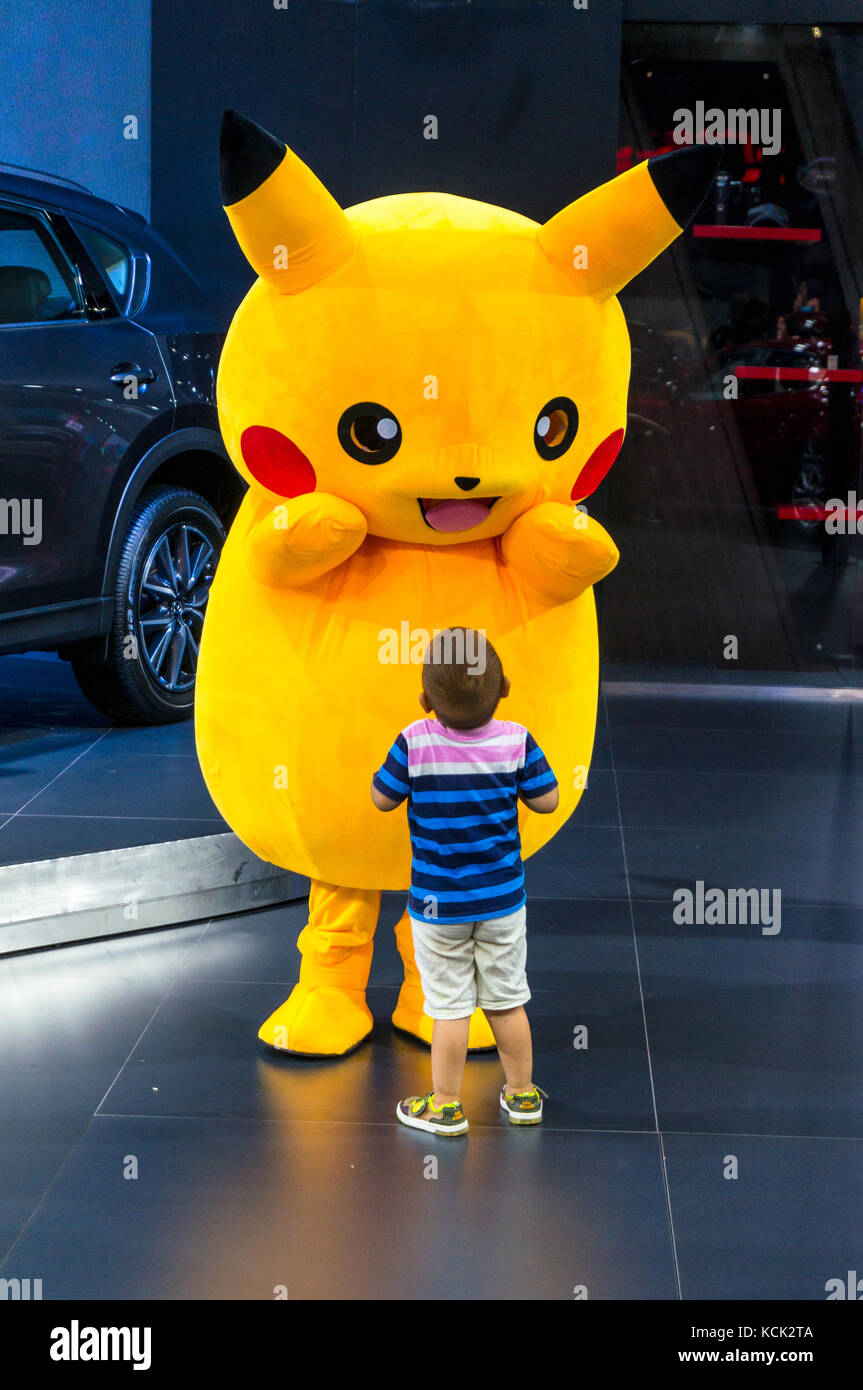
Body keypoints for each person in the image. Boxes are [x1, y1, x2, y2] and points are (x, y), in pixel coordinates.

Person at [370, 627, 559, 1136]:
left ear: (425, 699)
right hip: (502, 901)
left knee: (449, 1008)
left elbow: (382, 799)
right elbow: (548, 800)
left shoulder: (414, 741)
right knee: (506, 999)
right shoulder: (517, 740)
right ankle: (522, 1096)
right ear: (504, 690)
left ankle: (447, 1107)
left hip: (436, 907)